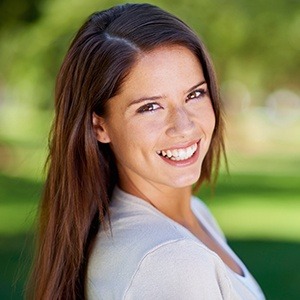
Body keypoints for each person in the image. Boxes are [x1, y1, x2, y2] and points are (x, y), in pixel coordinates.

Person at [27, 3, 265, 299]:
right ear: (99, 126)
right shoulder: (172, 260)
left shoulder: (194, 216)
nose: (184, 126)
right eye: (150, 107)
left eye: (195, 94)